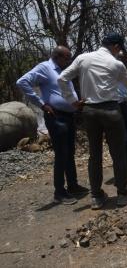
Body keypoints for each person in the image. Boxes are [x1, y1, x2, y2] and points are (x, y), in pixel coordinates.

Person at [57, 32, 127, 210]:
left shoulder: (83, 58)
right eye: (119, 49)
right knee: (118, 153)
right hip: (111, 111)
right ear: (115, 46)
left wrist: (72, 101)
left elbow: (62, 78)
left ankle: (96, 197)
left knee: (94, 155)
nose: (118, 52)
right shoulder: (116, 64)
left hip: (89, 112)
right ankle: (122, 194)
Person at [16, 46, 89, 205]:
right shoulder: (45, 67)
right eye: (67, 57)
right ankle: (59, 192)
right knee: (61, 153)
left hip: (69, 116)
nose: (69, 60)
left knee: (70, 151)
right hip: (56, 117)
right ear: (57, 57)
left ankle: (73, 185)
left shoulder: (63, 71)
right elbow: (22, 82)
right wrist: (42, 104)